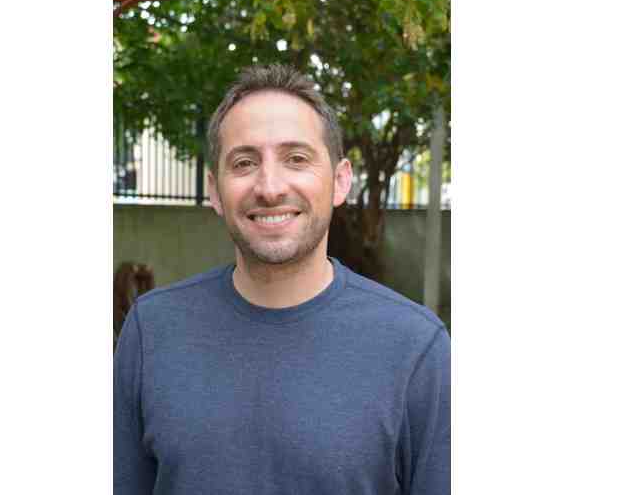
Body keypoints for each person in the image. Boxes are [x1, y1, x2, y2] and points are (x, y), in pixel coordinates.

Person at [114, 64, 450, 495]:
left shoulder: (416, 348)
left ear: (340, 181)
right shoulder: (152, 330)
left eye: (296, 159)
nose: (270, 187)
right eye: (244, 162)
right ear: (214, 190)